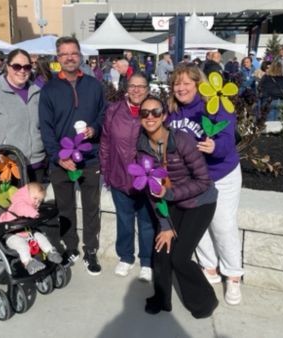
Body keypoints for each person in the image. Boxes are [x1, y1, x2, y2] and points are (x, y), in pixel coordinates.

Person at [165, 64, 243, 306]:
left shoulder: (214, 105)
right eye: (177, 83)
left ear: (199, 84)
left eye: (187, 82)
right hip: (192, 179)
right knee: (195, 226)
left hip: (221, 174)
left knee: (222, 225)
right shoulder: (173, 112)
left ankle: (233, 275)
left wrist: (215, 147)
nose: (181, 87)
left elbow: (228, 139)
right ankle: (209, 267)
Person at [137, 96, 219, 318]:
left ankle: (205, 301)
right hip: (171, 201)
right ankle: (162, 299)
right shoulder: (142, 147)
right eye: (145, 113)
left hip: (200, 201)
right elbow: (150, 190)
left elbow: (203, 181)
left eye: (155, 112)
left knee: (180, 257)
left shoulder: (181, 140)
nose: (150, 117)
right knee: (162, 249)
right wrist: (165, 224)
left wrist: (170, 193)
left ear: (164, 115)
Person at [39, 36, 106, 276]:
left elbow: (103, 114)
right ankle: (71, 247)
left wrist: (95, 129)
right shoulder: (49, 89)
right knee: (65, 207)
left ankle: (90, 250)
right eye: (64, 53)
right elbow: (45, 128)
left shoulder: (94, 84)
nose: (69, 57)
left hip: (89, 158)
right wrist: (57, 156)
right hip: (61, 161)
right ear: (58, 58)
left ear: (80, 56)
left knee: (91, 207)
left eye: (73, 53)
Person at [99, 72, 155, 282]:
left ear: (148, 89)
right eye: (132, 86)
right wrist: (106, 169)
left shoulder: (154, 111)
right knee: (124, 219)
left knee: (147, 221)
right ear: (126, 88)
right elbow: (105, 142)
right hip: (119, 175)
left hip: (146, 178)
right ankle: (126, 256)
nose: (136, 90)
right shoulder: (114, 110)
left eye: (141, 86)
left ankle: (147, 261)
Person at [0, 48, 46, 182]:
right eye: (17, 66)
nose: (22, 71)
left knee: (33, 203)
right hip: (5, 165)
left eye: (27, 67)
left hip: (36, 164)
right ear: (7, 66)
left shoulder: (37, 92)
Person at [0, 182, 63, 275]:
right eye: (35, 198)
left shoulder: (32, 207)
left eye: (40, 200)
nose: (37, 202)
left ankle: (50, 252)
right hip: (11, 235)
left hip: (26, 232)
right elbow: (23, 209)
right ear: (27, 195)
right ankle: (28, 263)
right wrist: (35, 214)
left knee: (40, 236)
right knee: (22, 245)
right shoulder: (19, 203)